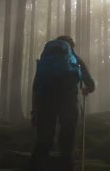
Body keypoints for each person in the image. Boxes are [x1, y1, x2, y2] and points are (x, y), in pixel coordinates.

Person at [27, 35, 95, 171]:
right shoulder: (75, 59)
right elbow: (91, 85)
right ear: (71, 46)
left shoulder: (45, 62)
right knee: (67, 144)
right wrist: (86, 89)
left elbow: (36, 87)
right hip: (68, 102)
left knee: (43, 142)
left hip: (44, 102)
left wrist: (34, 111)